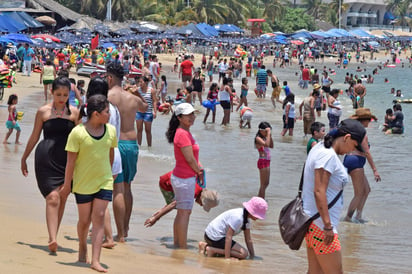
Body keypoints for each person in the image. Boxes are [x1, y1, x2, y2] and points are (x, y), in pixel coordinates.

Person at [20, 77, 79, 252]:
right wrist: (24, 158)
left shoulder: (75, 113)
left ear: (69, 94)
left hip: (67, 159)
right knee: (52, 197)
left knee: (62, 197)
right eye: (58, 94)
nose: (61, 98)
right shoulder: (43, 112)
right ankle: (52, 239)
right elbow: (34, 136)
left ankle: (53, 236)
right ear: (52, 92)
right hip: (45, 158)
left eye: (65, 95)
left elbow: (82, 140)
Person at [62, 95, 117, 272]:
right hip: (83, 183)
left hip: (104, 181)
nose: (109, 114)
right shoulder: (77, 133)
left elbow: (110, 156)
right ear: (96, 114)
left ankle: (95, 260)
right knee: (84, 221)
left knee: (99, 218)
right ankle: (82, 246)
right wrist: (66, 185)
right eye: (107, 112)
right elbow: (70, 162)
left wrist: (108, 175)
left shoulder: (111, 131)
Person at [303, 119, 366, 274]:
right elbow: (319, 191)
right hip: (321, 226)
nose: (352, 151)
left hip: (311, 223)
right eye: (354, 146)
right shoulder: (328, 156)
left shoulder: (319, 147)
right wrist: (328, 226)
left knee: (315, 272)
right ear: (346, 138)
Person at [107, 62, 148, 242]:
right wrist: (137, 91)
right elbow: (145, 107)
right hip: (131, 144)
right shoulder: (132, 98)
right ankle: (125, 228)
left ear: (110, 77)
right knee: (127, 187)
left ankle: (119, 233)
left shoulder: (109, 96)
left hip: (115, 143)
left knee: (117, 189)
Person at [165, 103, 203, 248]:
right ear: (179, 117)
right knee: (184, 213)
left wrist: (199, 167)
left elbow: (192, 157)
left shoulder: (184, 132)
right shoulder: (182, 133)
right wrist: (198, 172)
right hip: (184, 178)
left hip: (184, 177)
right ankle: (181, 246)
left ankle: (178, 243)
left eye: (193, 114)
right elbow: (189, 158)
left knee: (182, 212)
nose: (192, 117)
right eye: (189, 115)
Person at [198, 197, 268, 259]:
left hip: (212, 236)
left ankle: (205, 246)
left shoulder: (246, 219)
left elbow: (248, 239)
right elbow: (228, 237)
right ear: (252, 212)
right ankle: (212, 250)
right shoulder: (238, 218)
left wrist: (252, 256)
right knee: (243, 254)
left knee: (242, 253)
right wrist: (227, 258)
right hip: (213, 237)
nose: (259, 218)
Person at [344, 108, 381, 223]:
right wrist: (375, 170)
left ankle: (358, 216)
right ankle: (348, 218)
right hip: (355, 161)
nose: (369, 122)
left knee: (366, 190)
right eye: (368, 120)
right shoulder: (361, 133)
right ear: (363, 120)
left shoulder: (355, 130)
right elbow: (366, 152)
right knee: (359, 193)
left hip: (353, 160)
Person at [144, 171, 219, 227]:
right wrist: (156, 218)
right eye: (202, 204)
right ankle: (156, 215)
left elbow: (201, 170)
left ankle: (161, 211)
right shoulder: (192, 192)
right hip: (166, 183)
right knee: (179, 206)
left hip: (174, 175)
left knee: (181, 204)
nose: (200, 205)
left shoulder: (201, 185)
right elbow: (174, 204)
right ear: (202, 198)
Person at [136, 76, 157, 147]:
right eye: (139, 82)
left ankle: (149, 146)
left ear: (146, 82)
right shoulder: (137, 90)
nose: (140, 83)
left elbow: (154, 101)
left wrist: (155, 111)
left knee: (148, 130)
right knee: (139, 130)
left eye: (141, 82)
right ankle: (139, 146)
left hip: (148, 112)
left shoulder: (151, 90)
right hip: (139, 112)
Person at [255, 122, 273, 198]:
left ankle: (260, 198)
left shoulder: (265, 138)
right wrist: (268, 134)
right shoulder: (258, 138)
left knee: (266, 183)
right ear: (261, 130)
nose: (266, 133)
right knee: (263, 184)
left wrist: (270, 136)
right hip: (262, 161)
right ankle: (261, 200)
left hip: (267, 161)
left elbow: (271, 145)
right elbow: (266, 145)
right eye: (265, 132)